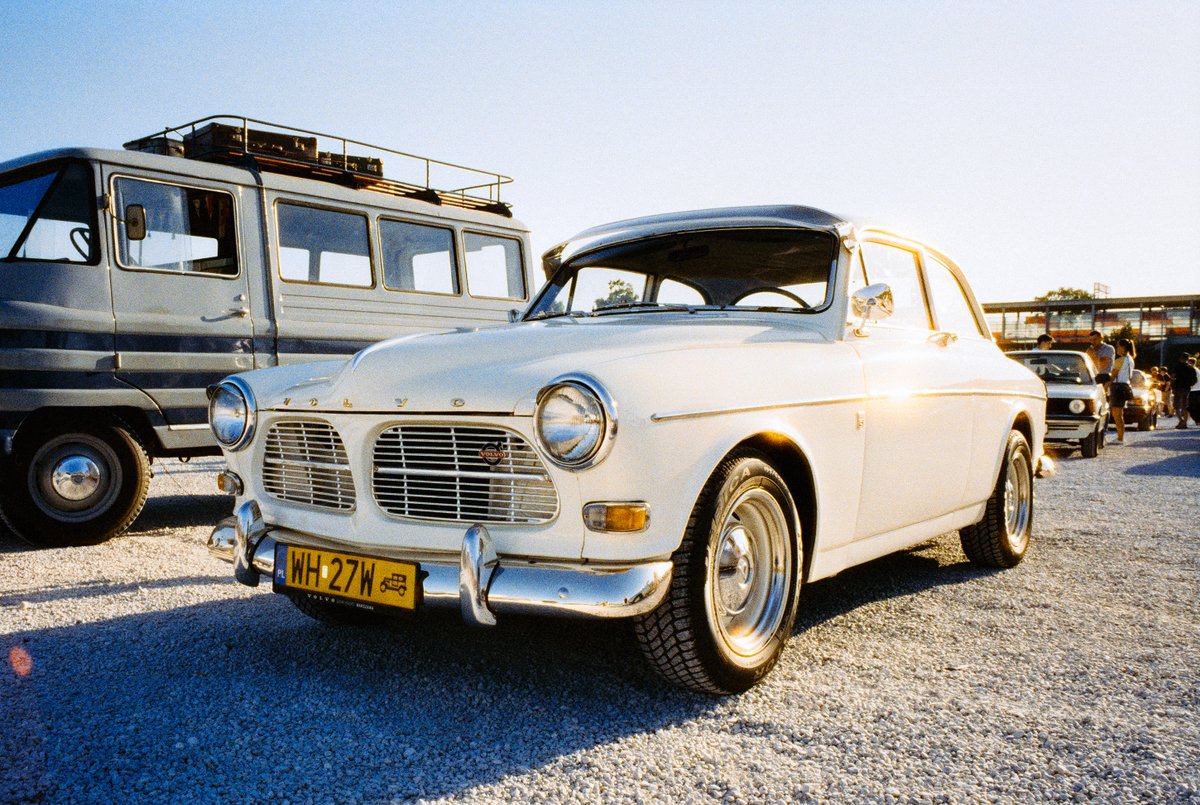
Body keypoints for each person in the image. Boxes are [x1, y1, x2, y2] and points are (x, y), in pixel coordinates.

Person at [1108, 338, 1136, 443]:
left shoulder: (1120, 360)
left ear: (1123, 347)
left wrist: (1105, 387)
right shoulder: (1130, 359)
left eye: (1118, 346)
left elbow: (1113, 375)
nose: (1116, 348)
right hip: (1125, 386)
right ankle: (1120, 436)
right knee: (1119, 414)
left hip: (1118, 387)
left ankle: (1120, 438)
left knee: (1117, 414)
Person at [1172, 354, 1197, 429]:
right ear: (1188, 359)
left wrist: (1173, 385)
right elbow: (1195, 380)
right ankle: (1185, 422)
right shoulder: (1191, 368)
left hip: (1178, 388)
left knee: (1176, 406)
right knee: (1185, 406)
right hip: (1187, 388)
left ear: (1181, 358)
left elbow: (1173, 377)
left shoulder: (1177, 367)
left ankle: (1181, 421)